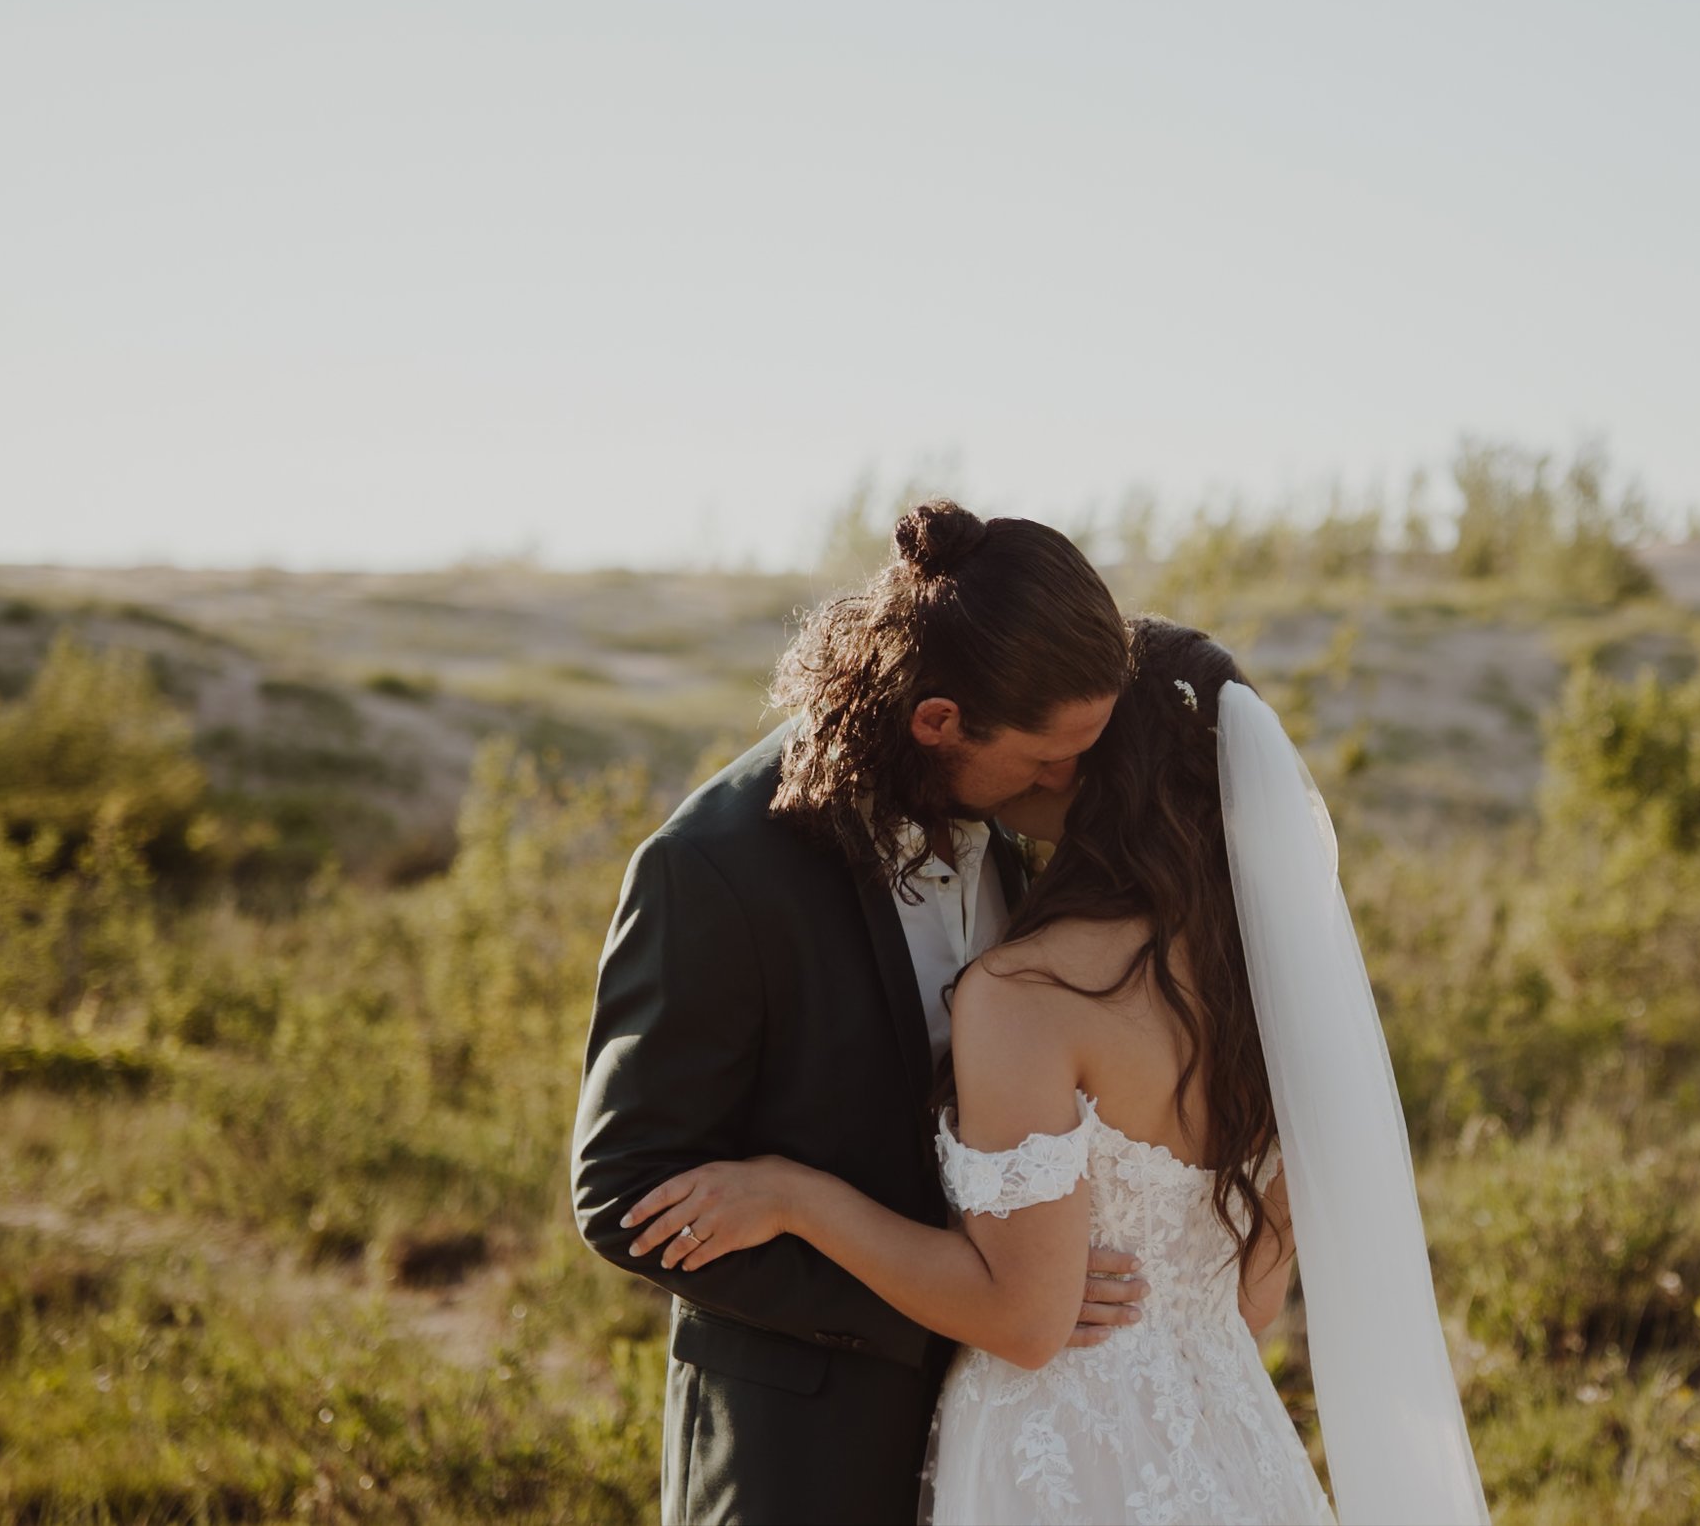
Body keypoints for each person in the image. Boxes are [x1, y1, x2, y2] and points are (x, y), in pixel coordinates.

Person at [623, 619, 1489, 1525]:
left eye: (1066, 745)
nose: (1038, 762)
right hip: (1231, 1452)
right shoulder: (1272, 991)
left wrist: (799, 1197)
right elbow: (1249, 1301)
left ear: (1107, 772)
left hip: (1059, 1460)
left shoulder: (1027, 994)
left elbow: (1025, 1324)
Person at [571, 501, 1147, 1525]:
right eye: (1047, 757)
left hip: (1010, 1442)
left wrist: (1032, 1279)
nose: (1070, 781)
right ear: (938, 722)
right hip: (802, 1451)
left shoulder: (1009, 819)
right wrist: (959, 1305)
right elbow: (624, 1190)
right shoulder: (713, 868)